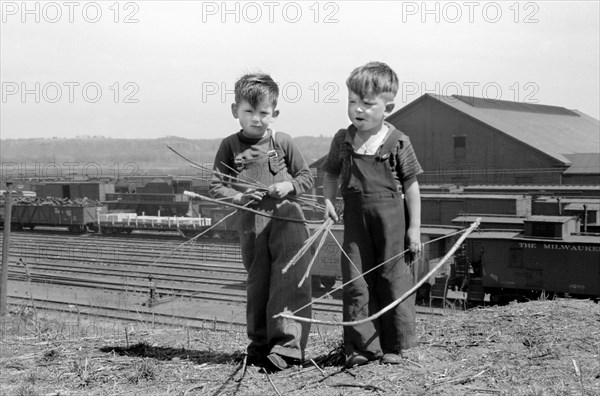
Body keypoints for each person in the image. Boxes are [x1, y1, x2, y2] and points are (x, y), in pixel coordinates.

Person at [209, 73, 314, 371]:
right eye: (249, 112)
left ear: (274, 113)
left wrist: (289, 187)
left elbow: (307, 178)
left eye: (264, 113)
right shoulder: (229, 146)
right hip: (251, 224)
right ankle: (259, 345)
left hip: (287, 221)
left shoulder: (282, 142)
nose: (256, 119)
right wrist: (239, 198)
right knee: (258, 283)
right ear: (235, 111)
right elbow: (216, 186)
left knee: (289, 280)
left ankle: (288, 348)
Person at [322, 61, 423, 368]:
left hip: (392, 226)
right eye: (352, 102)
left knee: (392, 280)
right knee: (356, 282)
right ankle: (362, 348)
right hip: (355, 227)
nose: (358, 110)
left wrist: (414, 229)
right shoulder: (343, 140)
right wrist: (328, 201)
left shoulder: (398, 142)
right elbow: (330, 174)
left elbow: (412, 186)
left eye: (367, 104)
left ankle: (395, 345)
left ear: (387, 107)